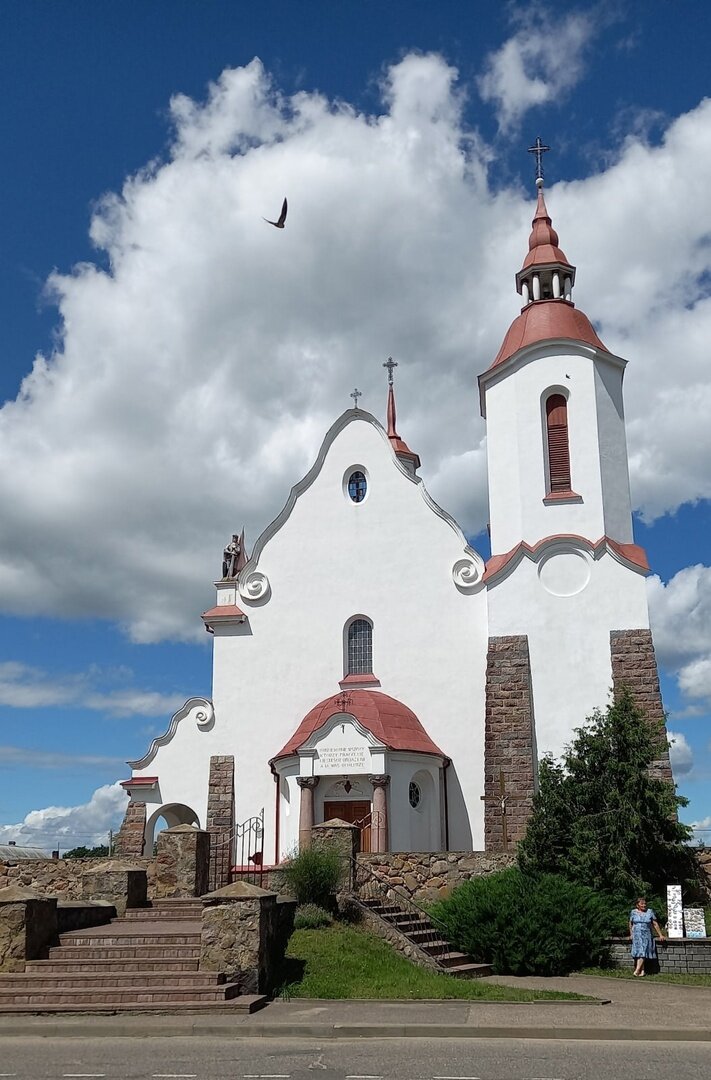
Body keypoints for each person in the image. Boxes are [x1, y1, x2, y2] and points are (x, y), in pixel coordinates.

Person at [629, 896, 665, 976]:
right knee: (639, 952)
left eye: (645, 904)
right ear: (637, 905)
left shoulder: (650, 912)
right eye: (642, 904)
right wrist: (631, 934)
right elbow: (631, 923)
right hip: (637, 935)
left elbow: (655, 924)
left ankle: (637, 970)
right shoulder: (633, 912)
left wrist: (660, 934)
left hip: (646, 935)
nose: (644, 905)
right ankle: (642, 971)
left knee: (643, 952)